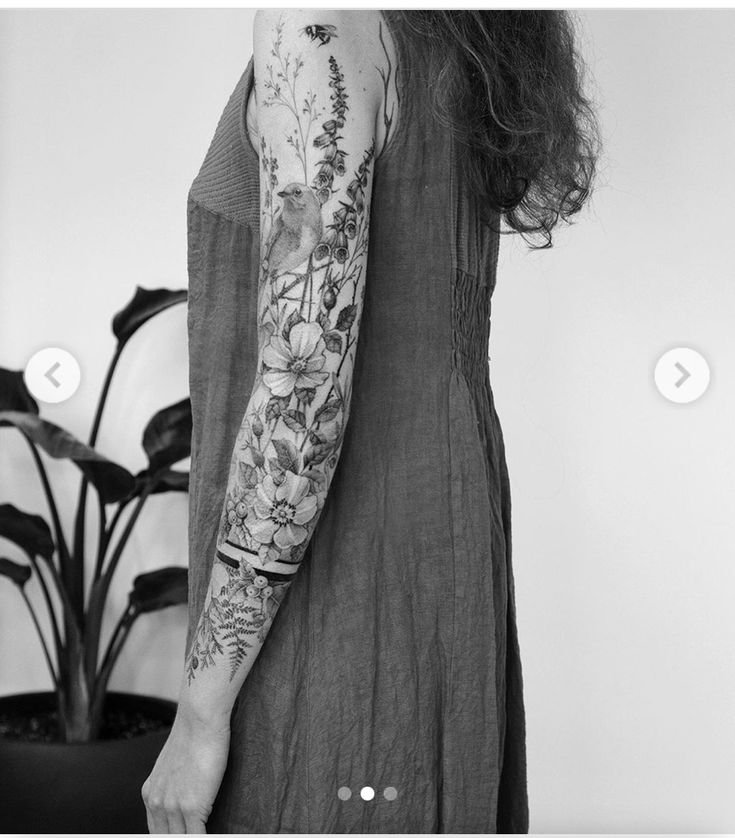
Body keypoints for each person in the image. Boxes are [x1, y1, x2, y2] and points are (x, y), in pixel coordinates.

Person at [142, 9, 600, 834]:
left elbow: (303, 380)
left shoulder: (317, 23)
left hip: (341, 581)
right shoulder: (459, 36)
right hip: (443, 546)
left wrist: (202, 714)